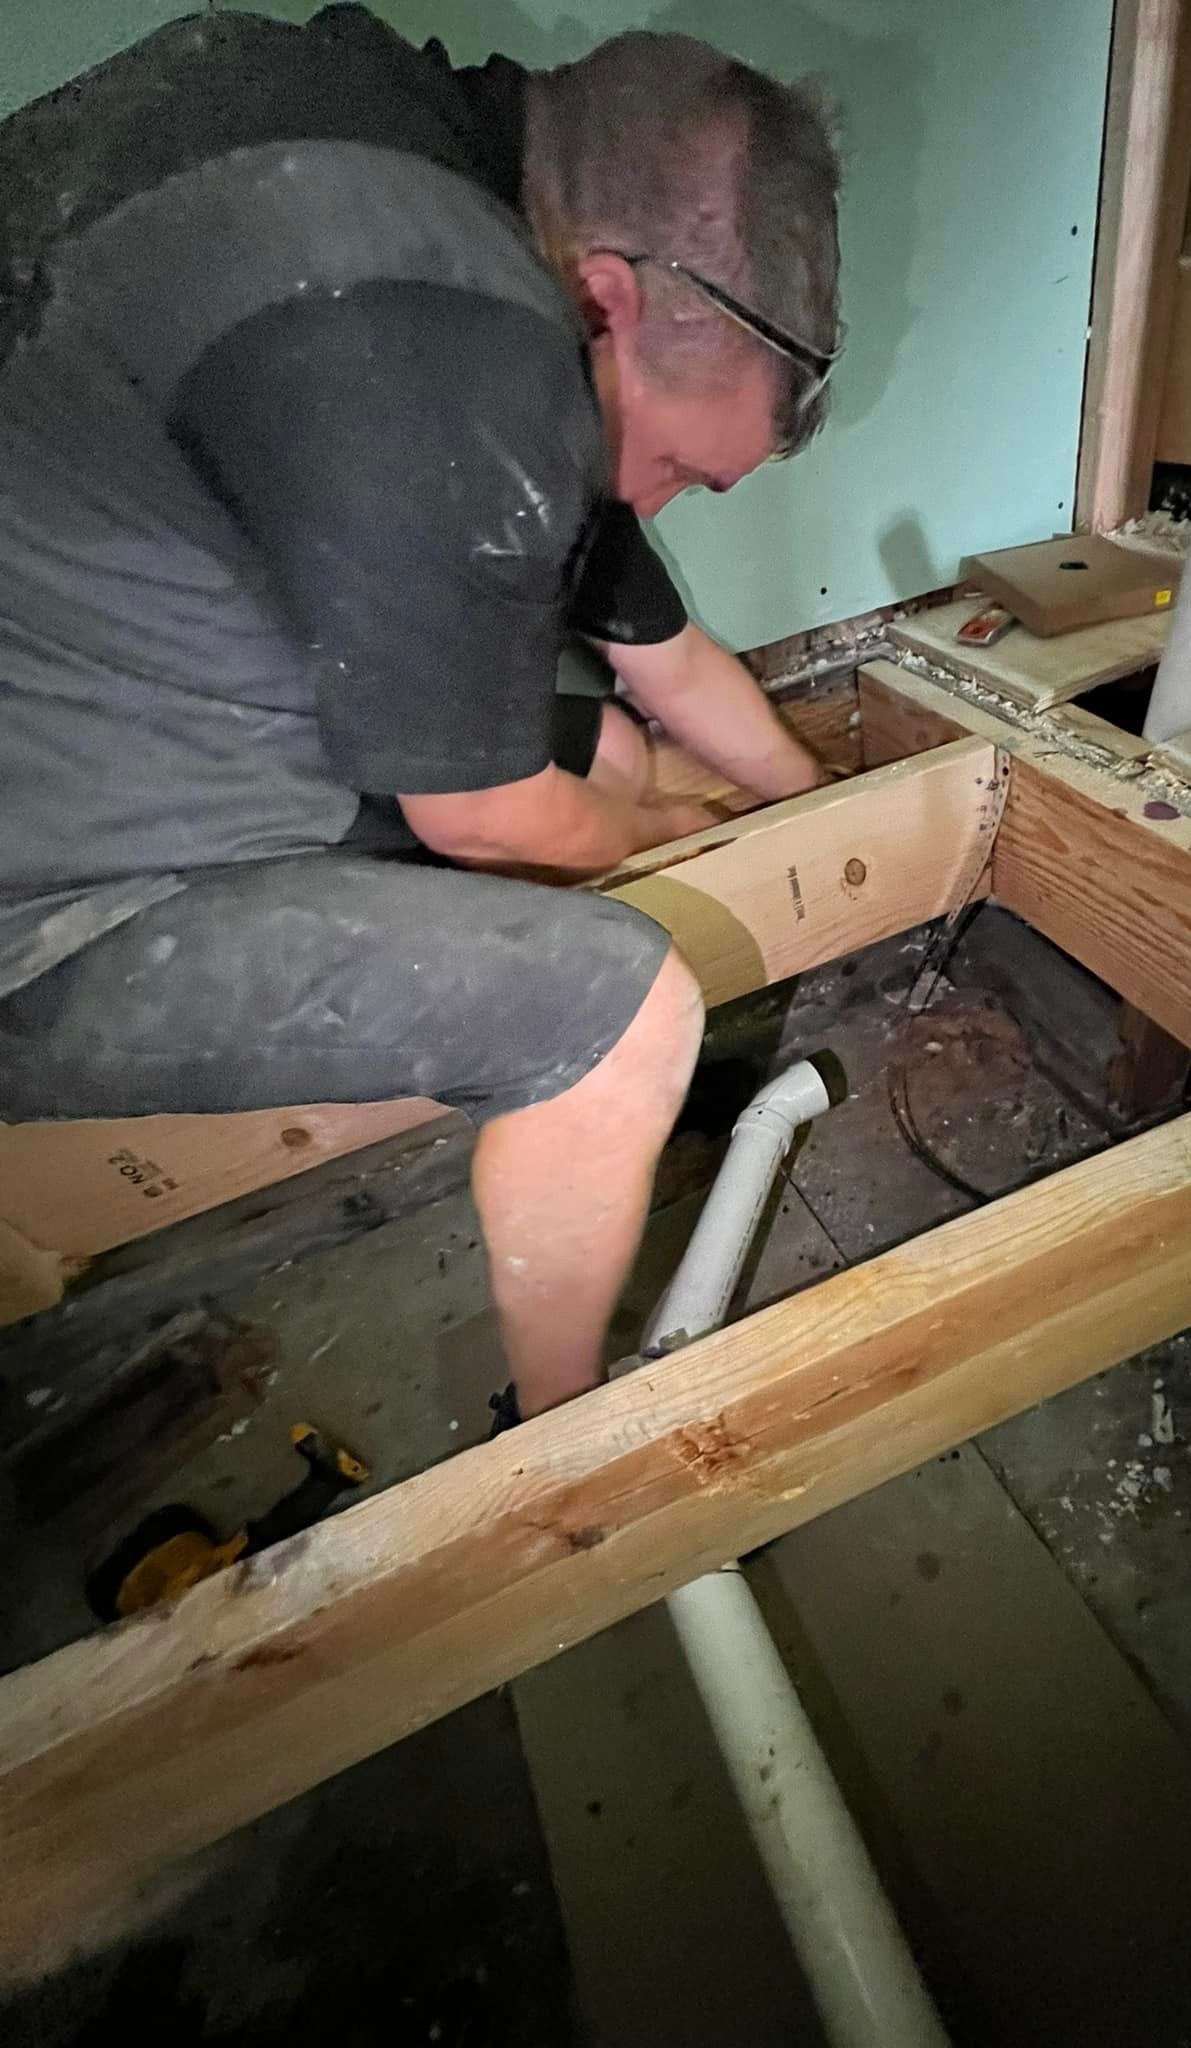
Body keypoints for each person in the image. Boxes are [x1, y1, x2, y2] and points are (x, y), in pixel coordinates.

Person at [0, 6, 841, 1419]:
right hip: (48, 900)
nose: (652, 505)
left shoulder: (392, 183)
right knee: (621, 1014)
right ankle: (566, 1434)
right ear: (616, 302)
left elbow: (671, 668)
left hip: (93, 715)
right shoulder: (446, 348)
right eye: (683, 469)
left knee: (616, 747)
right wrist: (675, 862)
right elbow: (490, 818)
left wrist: (811, 816)